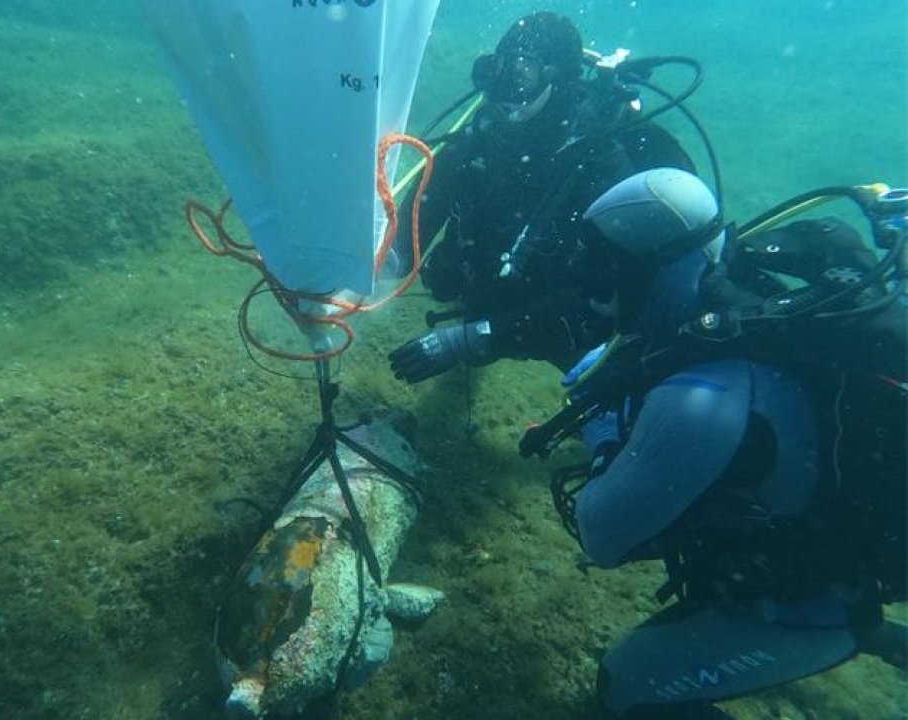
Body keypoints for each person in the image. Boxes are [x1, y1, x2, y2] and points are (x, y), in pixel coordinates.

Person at [553, 168, 907, 719]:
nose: (591, 295)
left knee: (627, 686)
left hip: (806, 601)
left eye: (602, 275)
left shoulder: (701, 398)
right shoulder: (745, 309)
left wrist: (601, 440)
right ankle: (876, 632)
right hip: (820, 546)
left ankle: (851, 630)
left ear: (649, 273)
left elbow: (602, 537)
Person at [388, 11, 697, 383]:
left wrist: (475, 339)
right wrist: (376, 262)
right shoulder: (482, 137)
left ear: (557, 78)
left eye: (519, 75)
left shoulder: (601, 167)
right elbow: (416, 220)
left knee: (603, 382)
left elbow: (596, 307)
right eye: (497, 70)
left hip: (563, 320)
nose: (503, 91)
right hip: (498, 293)